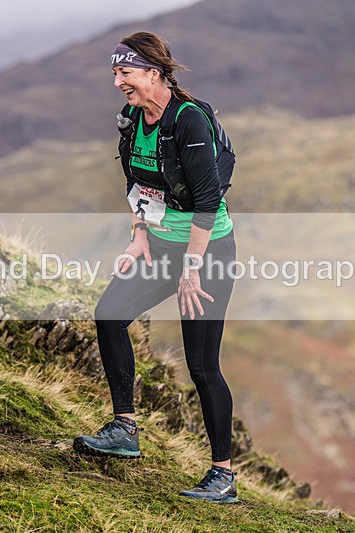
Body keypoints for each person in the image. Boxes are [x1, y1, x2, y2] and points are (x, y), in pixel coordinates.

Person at [73, 31, 238, 504]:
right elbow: (136, 183)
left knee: (202, 366)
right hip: (161, 246)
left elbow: (208, 200)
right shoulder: (131, 119)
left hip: (208, 252)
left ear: (153, 72)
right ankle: (124, 428)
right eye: (114, 74)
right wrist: (140, 235)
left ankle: (223, 476)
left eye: (124, 72)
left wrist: (192, 267)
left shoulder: (188, 119)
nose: (118, 82)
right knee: (109, 315)